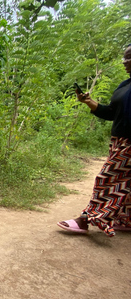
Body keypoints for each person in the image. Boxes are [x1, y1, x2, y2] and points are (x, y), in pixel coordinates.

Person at [57, 44, 131, 237]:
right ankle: (125, 219)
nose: (124, 62)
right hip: (120, 141)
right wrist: (88, 101)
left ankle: (86, 220)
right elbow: (111, 113)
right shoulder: (125, 85)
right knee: (124, 182)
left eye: (128, 57)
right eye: (124, 58)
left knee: (107, 179)